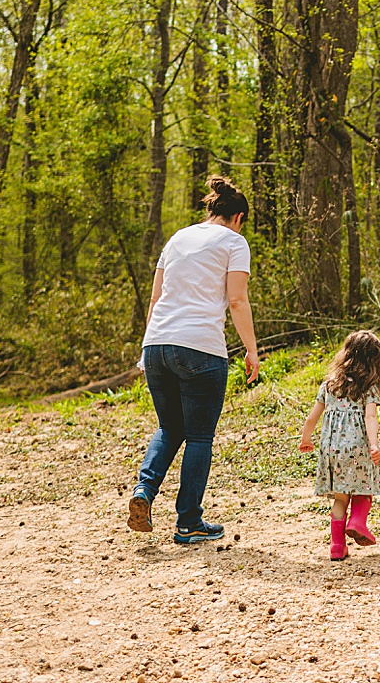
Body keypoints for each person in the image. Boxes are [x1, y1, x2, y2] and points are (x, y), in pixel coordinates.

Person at [127, 175, 260, 544]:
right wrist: (251, 349)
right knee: (199, 436)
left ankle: (144, 491)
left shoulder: (177, 238)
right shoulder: (235, 242)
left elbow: (156, 301)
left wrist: (145, 349)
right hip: (199, 348)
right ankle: (188, 522)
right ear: (239, 217)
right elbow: (237, 300)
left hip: (157, 345)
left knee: (170, 427)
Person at [297, 330, 380, 561]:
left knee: (341, 498)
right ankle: (358, 522)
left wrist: (306, 439)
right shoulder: (368, 388)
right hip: (358, 447)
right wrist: (374, 444)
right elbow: (370, 418)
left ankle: (337, 546)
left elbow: (312, 417)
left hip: (332, 450)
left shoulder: (328, 386)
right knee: (363, 487)